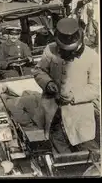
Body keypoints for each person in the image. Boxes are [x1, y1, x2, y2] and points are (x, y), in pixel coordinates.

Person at [33, 18, 100, 154]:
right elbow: (39, 70)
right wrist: (48, 83)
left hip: (80, 117)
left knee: (88, 153)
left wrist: (73, 96)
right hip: (53, 114)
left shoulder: (92, 56)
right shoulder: (50, 49)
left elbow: (96, 88)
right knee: (59, 154)